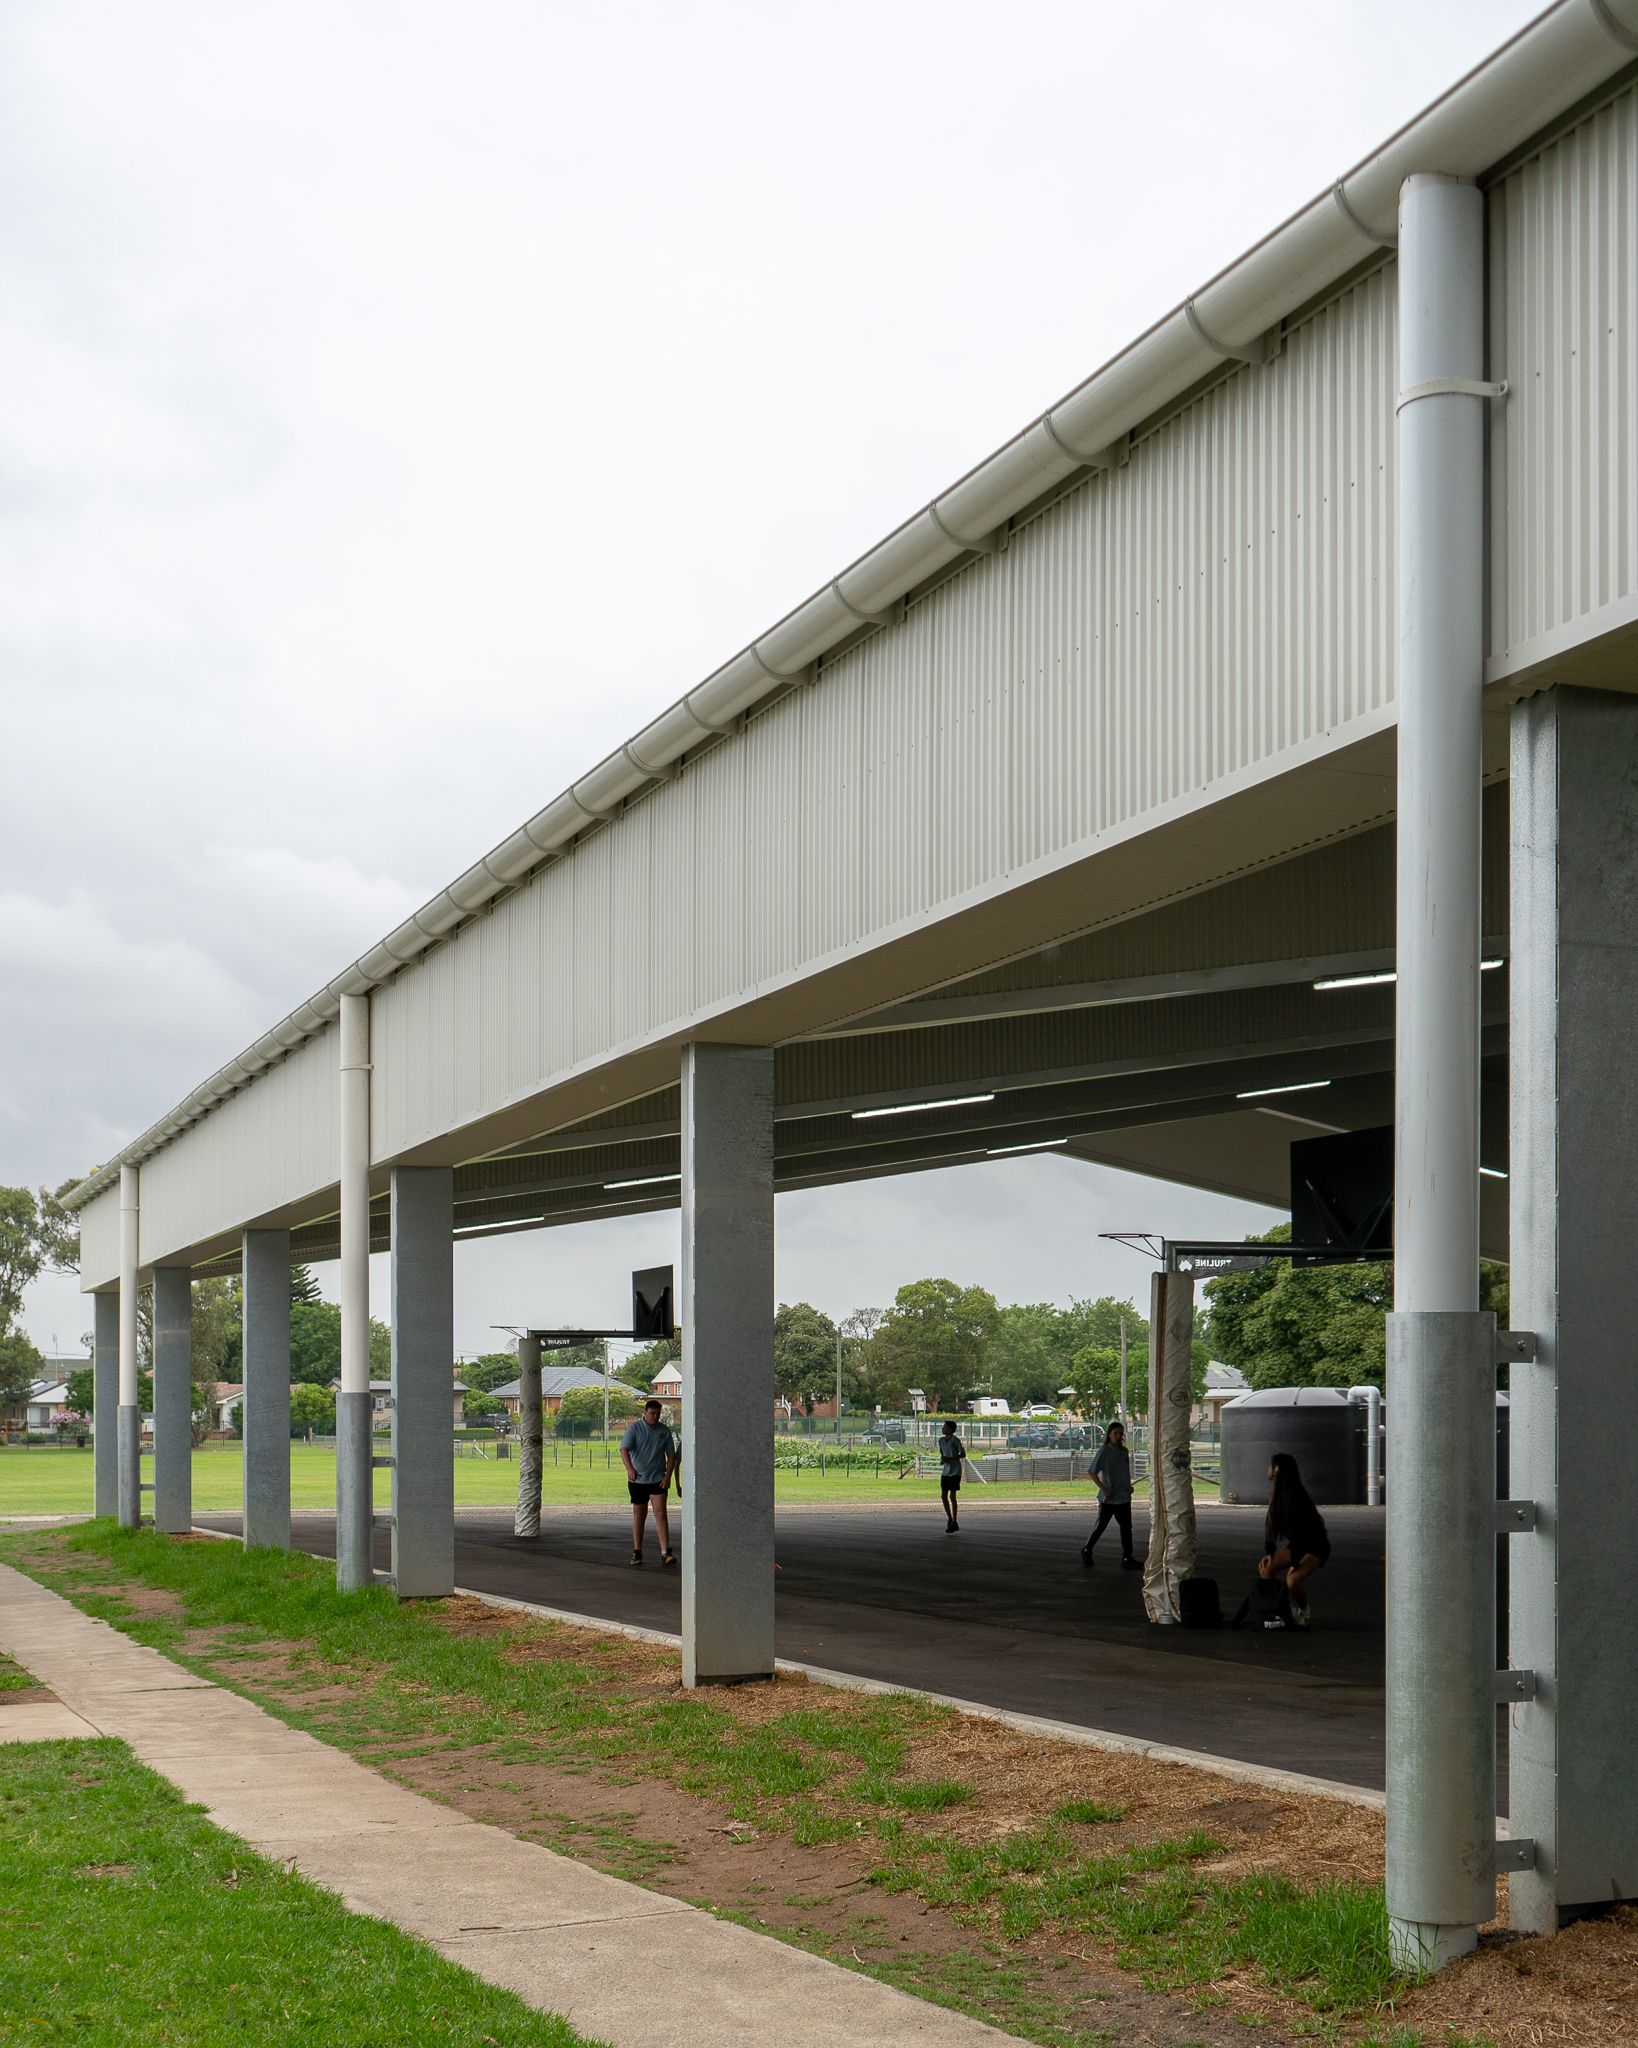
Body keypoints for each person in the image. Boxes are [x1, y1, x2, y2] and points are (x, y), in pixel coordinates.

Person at [1259, 1451, 1330, 1628]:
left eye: (1271, 1465)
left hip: (1315, 1546)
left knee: (1293, 1581)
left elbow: (1308, 1535)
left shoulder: (1294, 1498)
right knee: (1266, 1571)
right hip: (1298, 1545)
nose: (1267, 1468)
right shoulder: (1277, 1495)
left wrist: (1296, 1562)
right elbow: (1271, 1527)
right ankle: (1284, 1610)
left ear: (1277, 1470)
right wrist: (1269, 1552)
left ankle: (1304, 1610)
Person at [620, 1398, 678, 1566]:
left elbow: (671, 1455)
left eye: (658, 1414)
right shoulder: (635, 1428)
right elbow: (624, 1449)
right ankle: (637, 1552)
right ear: (645, 1413)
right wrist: (630, 1468)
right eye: (652, 1413)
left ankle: (665, 1551)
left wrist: (667, 1476)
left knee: (661, 1514)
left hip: (657, 1480)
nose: (655, 1417)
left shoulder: (664, 1431)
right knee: (639, 1515)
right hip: (638, 1480)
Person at [1081, 1420, 1140, 1570]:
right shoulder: (1104, 1451)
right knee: (1101, 1526)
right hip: (1109, 1498)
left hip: (1123, 1497)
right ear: (1109, 1435)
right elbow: (1092, 1471)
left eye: (1121, 1433)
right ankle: (1087, 1549)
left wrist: (1128, 1486)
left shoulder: (1124, 1452)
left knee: (1126, 1528)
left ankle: (1128, 1557)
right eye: (1115, 1433)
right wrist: (1103, 1488)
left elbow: (1124, 1473)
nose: (1118, 1436)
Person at [937, 1418, 966, 1532]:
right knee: (943, 1495)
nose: (942, 1428)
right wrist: (943, 1460)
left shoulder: (955, 1440)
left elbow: (962, 1454)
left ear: (950, 1429)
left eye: (944, 1427)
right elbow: (942, 1454)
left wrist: (952, 1458)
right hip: (946, 1471)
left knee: (952, 1496)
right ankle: (949, 1518)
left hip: (955, 1470)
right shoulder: (941, 1441)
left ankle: (954, 1520)